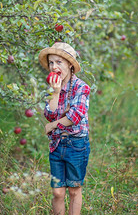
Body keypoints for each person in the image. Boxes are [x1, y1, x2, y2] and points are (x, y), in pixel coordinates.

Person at [38, 42, 91, 215]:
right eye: (51, 63)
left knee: (74, 189)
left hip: (76, 145)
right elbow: (49, 114)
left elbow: (75, 117)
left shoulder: (81, 87)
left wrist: (53, 125)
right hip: (57, 144)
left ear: (69, 64)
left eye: (59, 62)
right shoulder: (53, 87)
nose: (54, 66)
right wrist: (56, 92)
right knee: (57, 191)